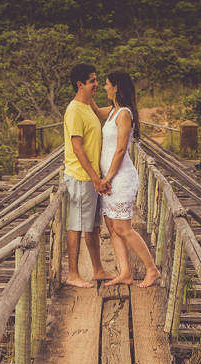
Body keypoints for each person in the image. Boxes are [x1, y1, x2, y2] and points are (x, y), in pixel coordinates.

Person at [88, 70, 161, 288]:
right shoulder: (113, 111)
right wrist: (86, 89)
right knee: (111, 226)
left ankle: (152, 270)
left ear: (116, 87)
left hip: (120, 178)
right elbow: (95, 110)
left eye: (106, 84)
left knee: (123, 228)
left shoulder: (124, 114)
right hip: (110, 177)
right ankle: (126, 273)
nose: (104, 87)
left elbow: (121, 150)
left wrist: (108, 178)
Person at [61, 63, 116, 288]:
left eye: (96, 80)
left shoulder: (87, 106)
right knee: (76, 225)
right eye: (92, 81)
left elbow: (103, 110)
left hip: (91, 177)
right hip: (81, 177)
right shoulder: (74, 111)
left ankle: (98, 269)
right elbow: (77, 148)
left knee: (92, 226)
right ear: (80, 84)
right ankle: (73, 274)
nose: (97, 84)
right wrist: (95, 178)